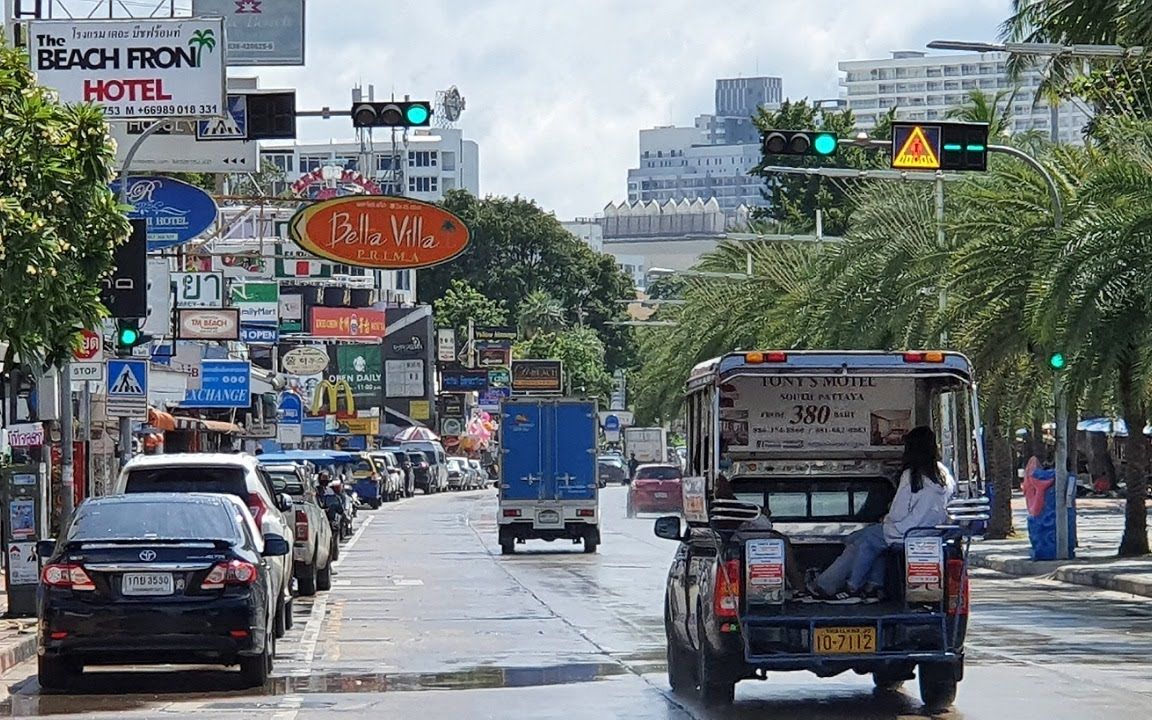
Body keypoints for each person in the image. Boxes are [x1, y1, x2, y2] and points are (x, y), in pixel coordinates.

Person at [809, 426, 955, 603]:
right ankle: (873, 586)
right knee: (870, 541)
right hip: (931, 534)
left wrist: (885, 519)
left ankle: (846, 586)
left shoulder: (912, 475)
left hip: (906, 533)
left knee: (863, 540)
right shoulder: (944, 474)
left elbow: (897, 512)